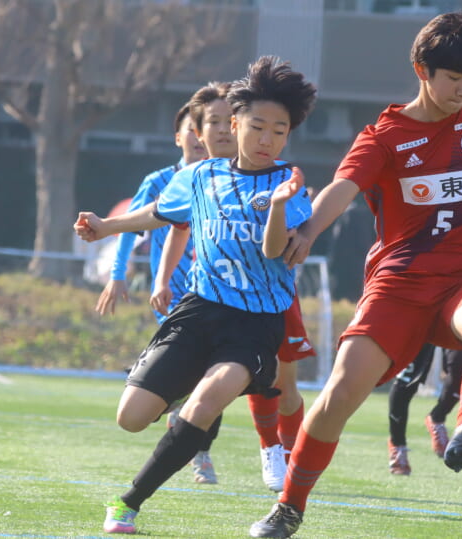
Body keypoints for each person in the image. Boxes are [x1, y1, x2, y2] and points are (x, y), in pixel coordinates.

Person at [250, 12, 462, 538]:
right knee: (337, 397)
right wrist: (307, 230)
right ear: (422, 71)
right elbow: (342, 187)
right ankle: (289, 507)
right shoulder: (385, 136)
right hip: (398, 288)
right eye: (454, 78)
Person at [73, 55, 317, 535]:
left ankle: (128, 503)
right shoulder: (201, 176)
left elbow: (274, 249)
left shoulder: (289, 183)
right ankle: (183, 385)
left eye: (279, 131)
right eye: (258, 127)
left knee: (203, 406)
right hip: (198, 312)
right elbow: (158, 213)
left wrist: (278, 206)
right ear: (235, 125)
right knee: (131, 418)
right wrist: (105, 227)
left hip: (255, 326)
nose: (267, 139)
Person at [150, 83, 316, 494]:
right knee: (214, 376)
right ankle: (220, 446)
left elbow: (281, 242)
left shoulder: (280, 177)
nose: (222, 130)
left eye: (276, 129)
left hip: (271, 299)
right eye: (213, 123)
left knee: (281, 382)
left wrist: (290, 216)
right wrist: (159, 278)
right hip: (212, 298)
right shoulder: (197, 178)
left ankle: (278, 453)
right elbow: (171, 225)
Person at [96, 94, 218, 485]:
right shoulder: (160, 182)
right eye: (192, 132)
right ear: (180, 137)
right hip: (169, 295)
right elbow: (132, 227)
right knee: (197, 371)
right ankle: (165, 395)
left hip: (212, 293)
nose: (199, 139)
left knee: (211, 375)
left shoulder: (221, 180)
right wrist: (118, 274)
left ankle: (199, 452)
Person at [386, 344, 462, 475]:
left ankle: (437, 418)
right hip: (418, 330)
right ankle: (397, 445)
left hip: (451, 329)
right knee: (407, 381)